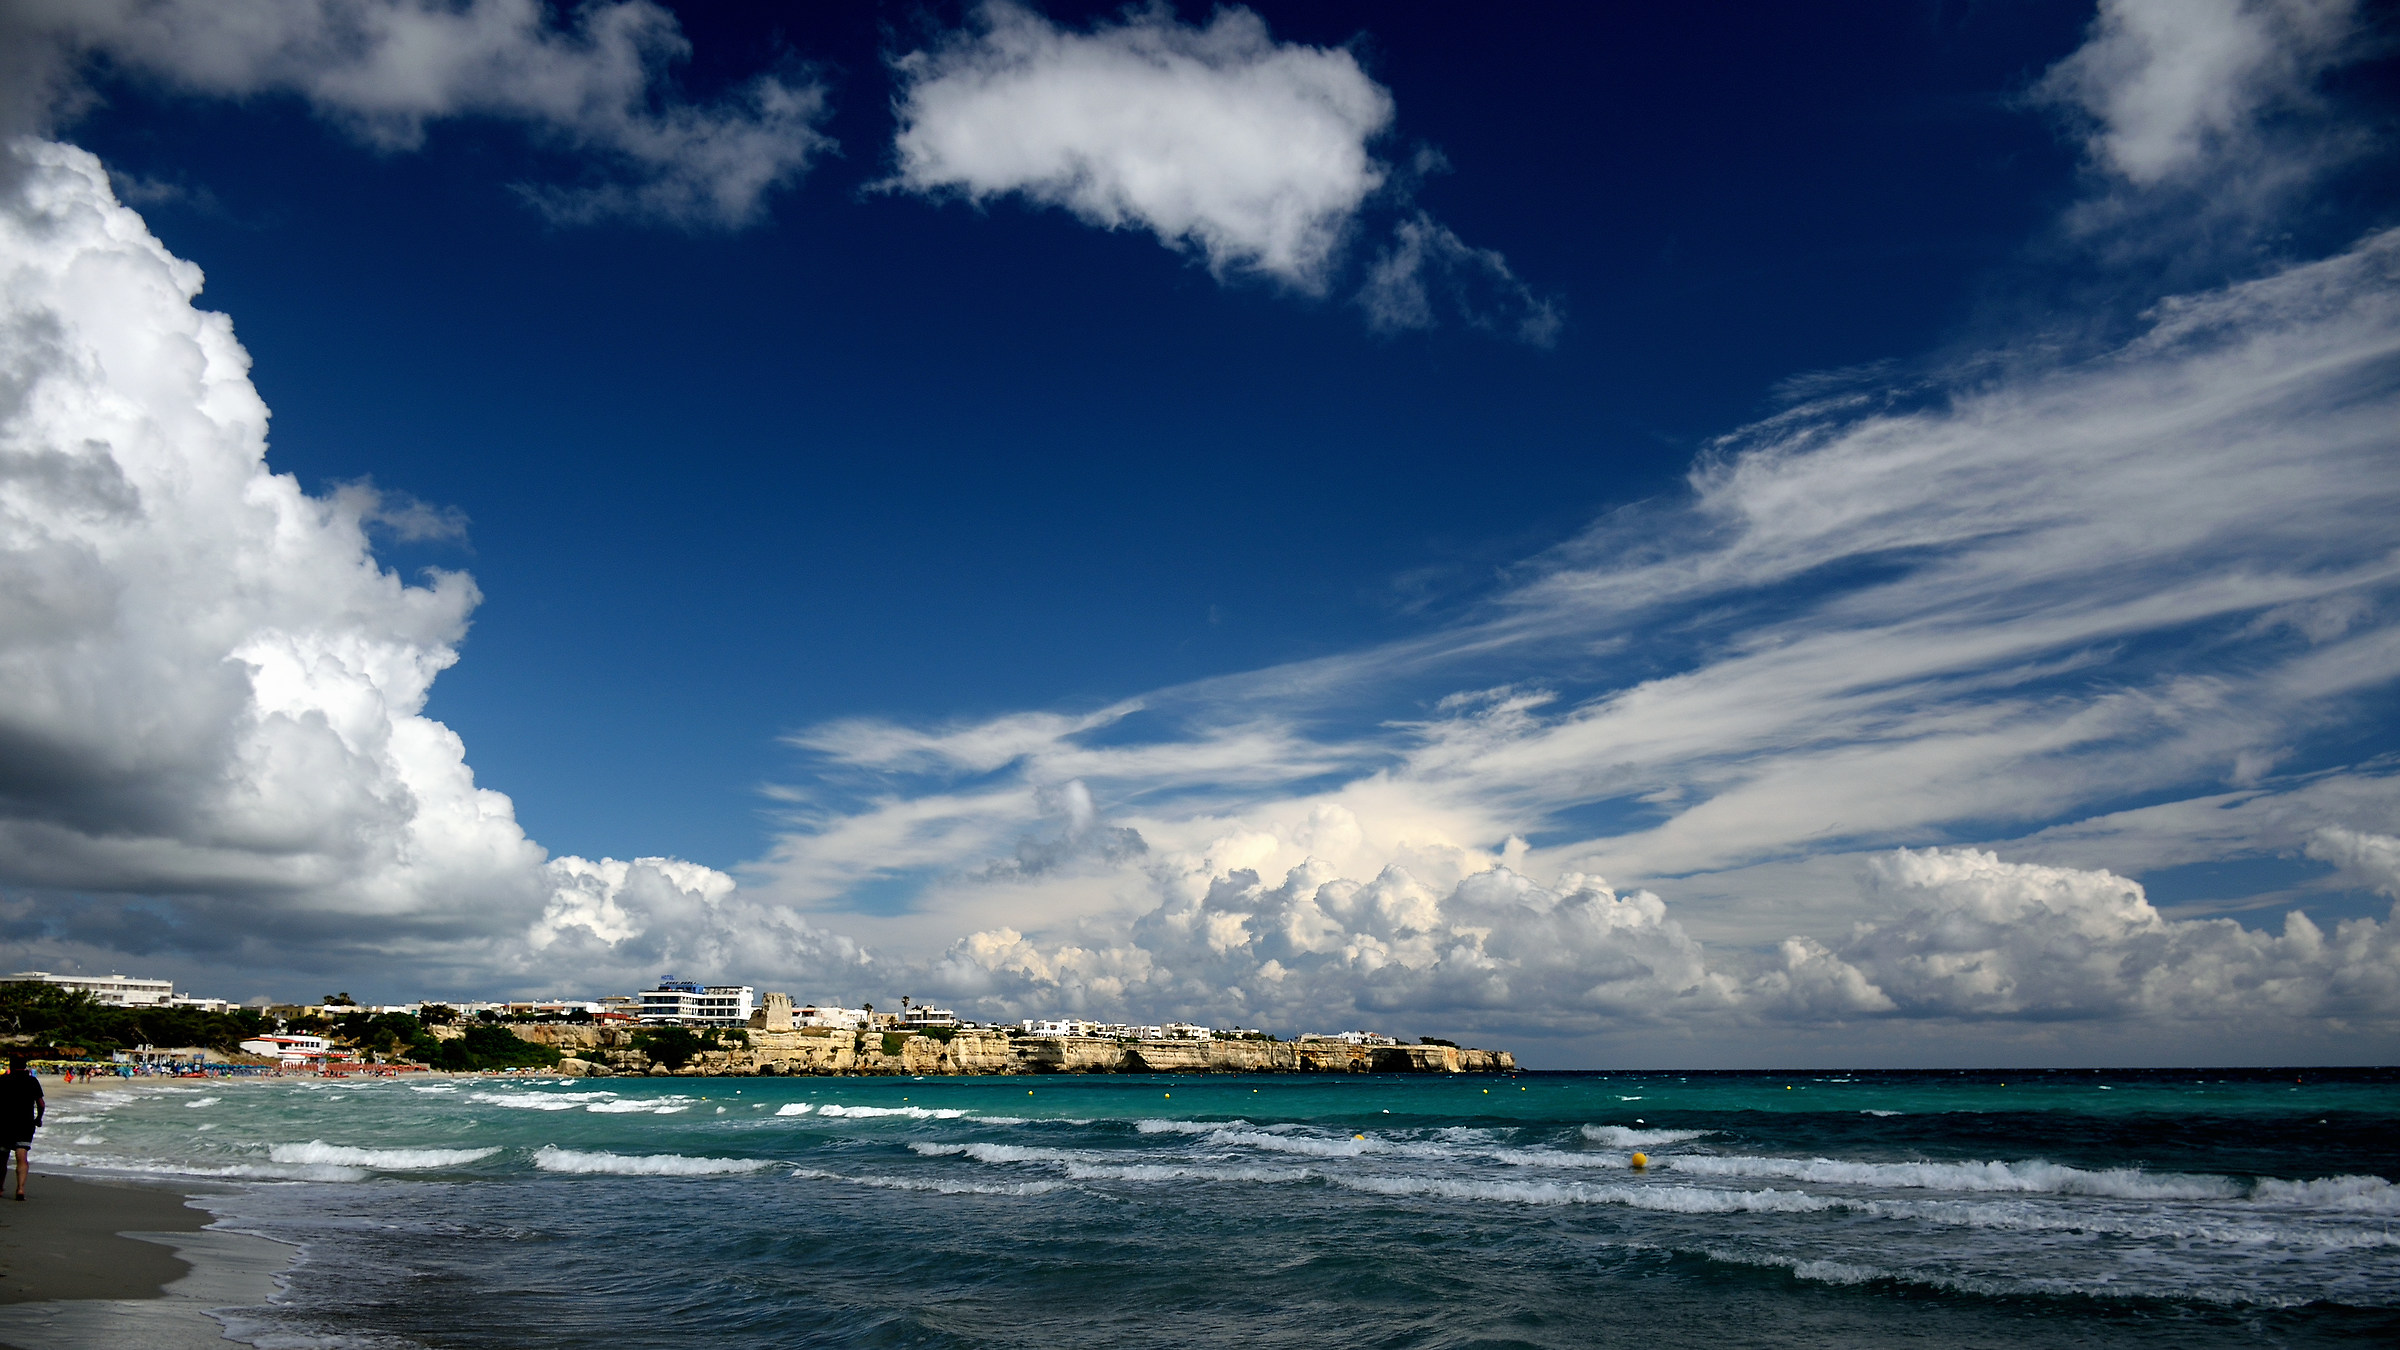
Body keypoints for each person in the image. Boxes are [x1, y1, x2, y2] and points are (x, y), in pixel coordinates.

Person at [0, 1055, 43, 1201]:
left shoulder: (3, 1080)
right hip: (25, 1123)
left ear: (10, 1066)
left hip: (5, 1123)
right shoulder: (32, 1081)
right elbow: (41, 1103)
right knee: (22, 1156)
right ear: (25, 1066)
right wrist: (38, 1118)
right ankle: (20, 1188)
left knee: (2, 1157)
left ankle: (0, 1188)